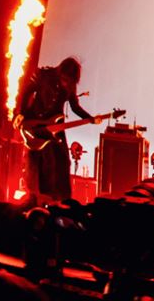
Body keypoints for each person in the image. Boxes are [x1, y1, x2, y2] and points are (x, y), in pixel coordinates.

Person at [17, 57, 98, 204]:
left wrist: (90, 118)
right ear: (60, 72)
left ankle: (61, 200)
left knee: (62, 161)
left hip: (56, 127)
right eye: (64, 79)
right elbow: (27, 91)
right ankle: (36, 198)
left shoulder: (70, 86)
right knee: (38, 161)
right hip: (37, 124)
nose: (65, 84)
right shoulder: (43, 74)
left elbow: (75, 107)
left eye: (69, 81)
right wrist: (22, 113)